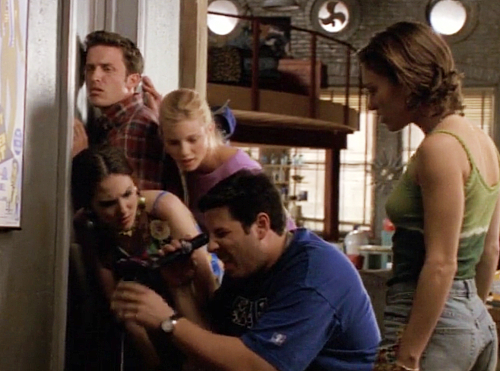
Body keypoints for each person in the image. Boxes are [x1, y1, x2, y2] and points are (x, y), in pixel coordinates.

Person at [110, 170, 381, 371]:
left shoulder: (314, 276)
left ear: (261, 226)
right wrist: (181, 289)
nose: (213, 247)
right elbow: (213, 347)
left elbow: (258, 365)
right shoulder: (247, 267)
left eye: (222, 234)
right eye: (209, 235)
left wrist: (168, 321)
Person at [359, 21, 500, 371]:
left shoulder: (440, 149)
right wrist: (471, 318)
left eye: (375, 89)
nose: (372, 104)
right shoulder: (482, 143)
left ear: (406, 82)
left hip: (427, 323)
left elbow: (441, 262)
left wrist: (407, 357)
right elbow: (490, 249)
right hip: (472, 318)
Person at [71, 146, 216, 370]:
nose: (123, 209)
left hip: (197, 297)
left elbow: (206, 280)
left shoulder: (164, 208)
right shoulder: (88, 227)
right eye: (108, 203)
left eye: (128, 194)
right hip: (147, 312)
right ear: (89, 205)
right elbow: (119, 304)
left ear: (135, 184)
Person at [73, 30, 180, 192]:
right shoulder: (111, 122)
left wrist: (80, 159)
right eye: (90, 68)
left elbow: (129, 205)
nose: (95, 77)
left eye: (107, 69)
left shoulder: (134, 125)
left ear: (133, 80)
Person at [159, 88, 261, 230]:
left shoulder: (241, 171)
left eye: (193, 140)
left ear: (210, 129)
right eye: (173, 142)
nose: (184, 152)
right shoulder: (184, 169)